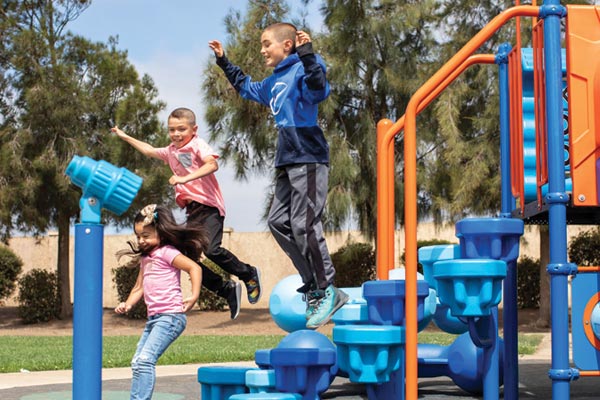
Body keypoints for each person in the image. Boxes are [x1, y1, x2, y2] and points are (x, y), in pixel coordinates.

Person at [209, 23, 348, 329]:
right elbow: (246, 87)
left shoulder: (304, 67)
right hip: (287, 160)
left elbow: (318, 87)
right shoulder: (273, 82)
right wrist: (223, 61)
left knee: (304, 223)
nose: (262, 50)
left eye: (266, 44)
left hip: (309, 156)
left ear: (287, 45)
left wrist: (308, 54)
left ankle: (328, 290)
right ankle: (312, 285)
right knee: (277, 222)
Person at [111, 108, 261, 320]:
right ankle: (225, 288)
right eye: (172, 130)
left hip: (208, 207)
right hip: (192, 212)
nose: (176, 134)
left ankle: (248, 273)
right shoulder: (171, 151)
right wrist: (124, 135)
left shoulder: (197, 144)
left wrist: (184, 179)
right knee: (186, 259)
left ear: (194, 129)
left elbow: (212, 164)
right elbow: (148, 150)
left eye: (181, 129)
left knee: (211, 249)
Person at [115, 204, 207, 400]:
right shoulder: (146, 259)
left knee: (145, 360)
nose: (141, 241)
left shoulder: (167, 252)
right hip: (155, 319)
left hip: (170, 317)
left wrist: (194, 295)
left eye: (146, 236)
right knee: (137, 362)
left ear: (161, 232)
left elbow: (194, 268)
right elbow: (139, 287)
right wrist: (128, 304)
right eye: (138, 236)